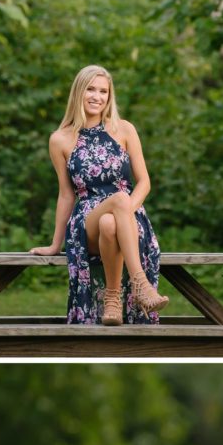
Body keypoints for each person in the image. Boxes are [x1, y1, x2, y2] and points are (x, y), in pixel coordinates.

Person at [30, 65, 168, 324]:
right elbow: (66, 195)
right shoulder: (59, 139)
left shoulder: (124, 129)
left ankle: (112, 301)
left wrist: (127, 209)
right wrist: (55, 244)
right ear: (78, 93)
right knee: (114, 205)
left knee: (112, 220)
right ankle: (142, 285)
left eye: (103, 91)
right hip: (86, 219)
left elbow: (145, 181)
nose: (97, 96)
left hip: (128, 216)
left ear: (110, 96)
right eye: (91, 89)